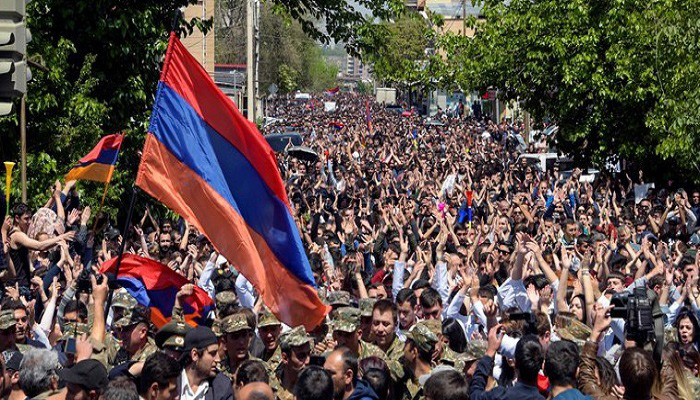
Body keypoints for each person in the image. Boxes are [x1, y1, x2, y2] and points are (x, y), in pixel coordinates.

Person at [469, 326, 545, 400]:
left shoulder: (498, 396)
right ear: (541, 364)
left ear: (515, 362)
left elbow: (475, 395)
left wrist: (489, 353)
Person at [178, 326, 233, 400]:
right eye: (212, 353)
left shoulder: (222, 386)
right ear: (195, 355)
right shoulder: (170, 382)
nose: (218, 359)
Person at [276, 326, 313, 400]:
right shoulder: (271, 384)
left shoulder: (315, 387)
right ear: (285, 358)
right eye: (301, 356)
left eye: (309, 354)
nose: (307, 361)